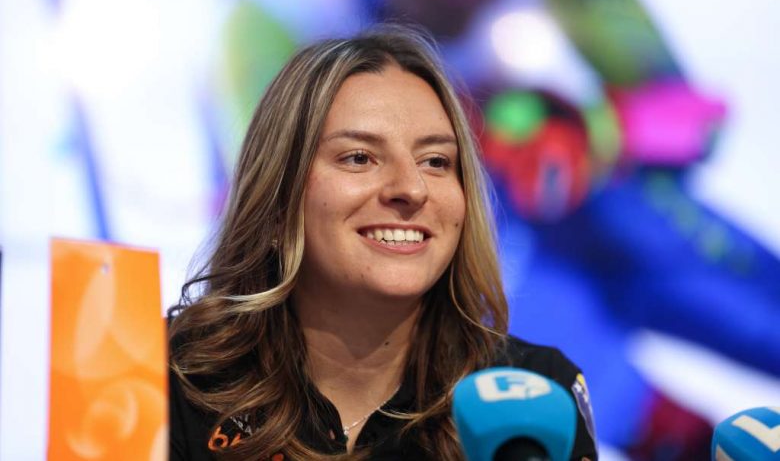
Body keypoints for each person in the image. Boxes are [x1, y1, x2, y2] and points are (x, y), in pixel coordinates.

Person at [168, 25, 598, 461]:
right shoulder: (166, 378)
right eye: (359, 158)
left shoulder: (536, 394)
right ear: (278, 201)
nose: (411, 188)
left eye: (435, 161)